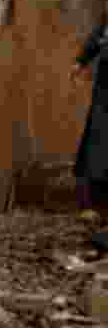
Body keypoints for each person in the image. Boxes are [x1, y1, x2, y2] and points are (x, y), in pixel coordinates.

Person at [72, 18, 108, 218]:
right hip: (104, 89)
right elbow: (98, 36)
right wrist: (80, 62)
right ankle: (93, 204)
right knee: (97, 140)